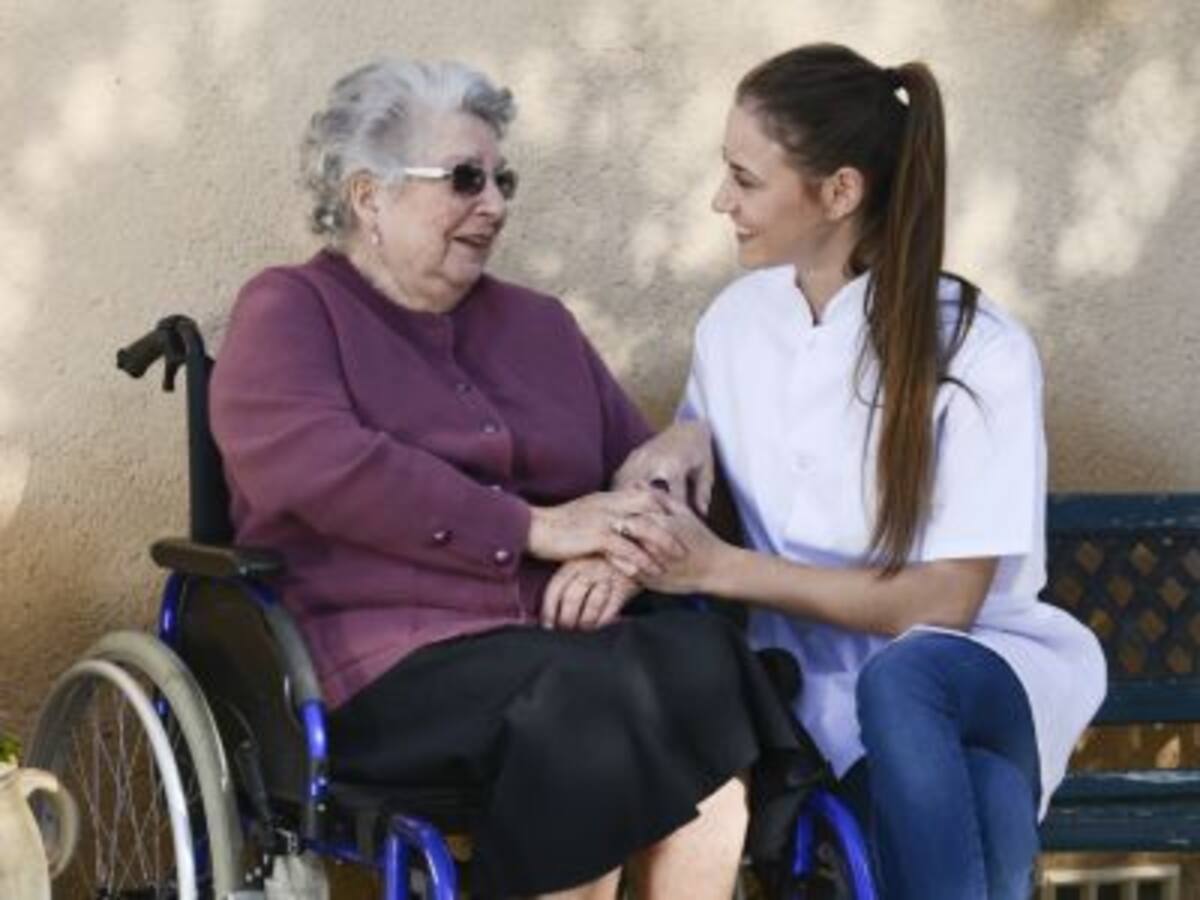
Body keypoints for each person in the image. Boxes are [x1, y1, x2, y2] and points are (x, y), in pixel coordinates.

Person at [209, 58, 806, 899]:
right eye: (463, 179)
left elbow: (638, 472)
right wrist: (534, 529)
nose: (494, 204)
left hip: (570, 659)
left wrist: (618, 559)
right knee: (608, 704)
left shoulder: (541, 326)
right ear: (367, 196)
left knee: (700, 662)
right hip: (387, 665)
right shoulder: (292, 312)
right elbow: (316, 464)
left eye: (500, 178)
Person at [614, 44, 1107, 900]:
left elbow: (943, 603)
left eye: (745, 177)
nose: (720, 201)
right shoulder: (734, 326)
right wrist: (676, 444)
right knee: (987, 794)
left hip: (978, 668)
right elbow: (695, 453)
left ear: (839, 192)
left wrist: (725, 570)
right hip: (811, 710)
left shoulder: (976, 347)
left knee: (906, 674)